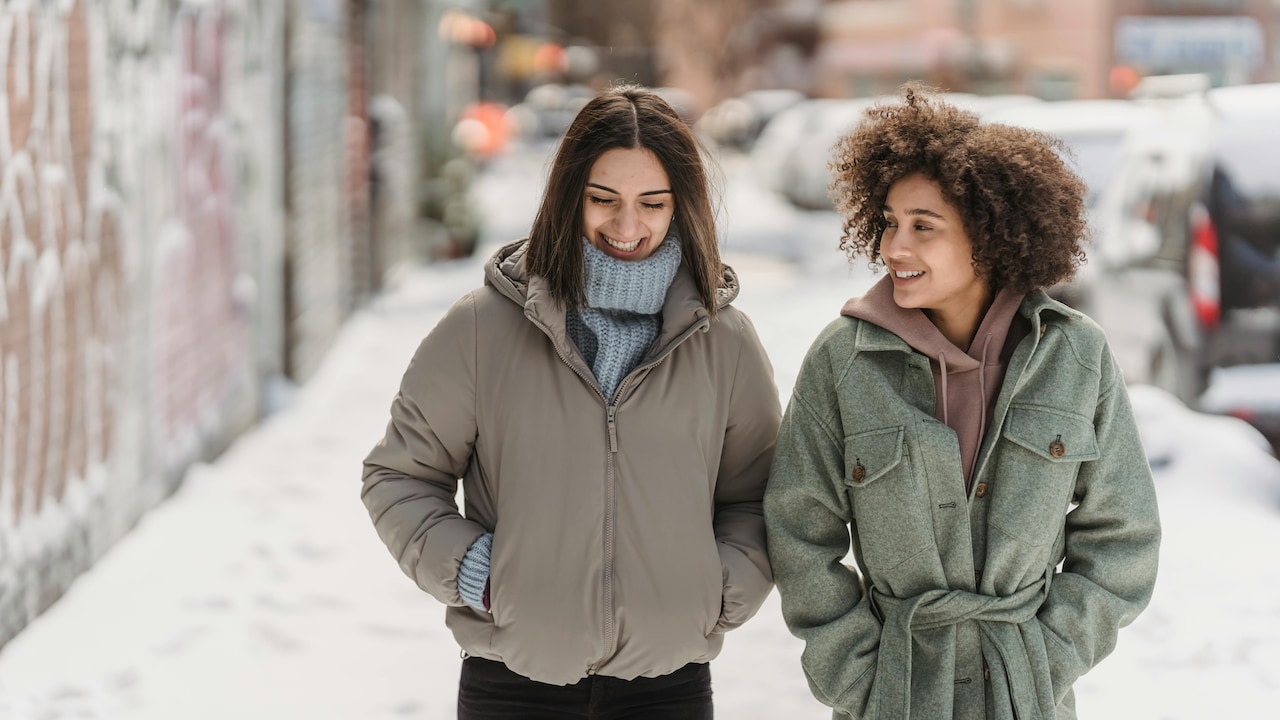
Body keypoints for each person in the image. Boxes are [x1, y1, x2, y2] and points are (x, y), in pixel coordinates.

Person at [361, 84, 781, 720]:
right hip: (512, 687)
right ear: (567, 197)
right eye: (602, 199)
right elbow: (399, 476)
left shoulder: (724, 342)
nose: (627, 225)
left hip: (668, 689)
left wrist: (719, 589)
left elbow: (759, 494)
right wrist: (481, 575)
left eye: (653, 202)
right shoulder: (484, 329)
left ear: (681, 207)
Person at [763, 85, 1161, 720]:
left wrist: (1045, 656)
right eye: (890, 222)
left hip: (1027, 698)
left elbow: (1123, 537)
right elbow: (797, 530)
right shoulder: (842, 362)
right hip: (892, 697)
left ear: (991, 234)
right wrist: (858, 676)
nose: (896, 247)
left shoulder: (1076, 357)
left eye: (924, 226)